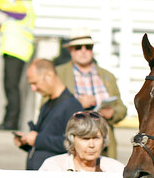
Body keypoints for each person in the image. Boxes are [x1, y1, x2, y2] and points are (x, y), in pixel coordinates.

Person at [55, 28, 128, 158]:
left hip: (104, 146)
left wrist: (112, 113)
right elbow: (49, 108)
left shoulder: (107, 76)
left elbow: (121, 108)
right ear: (70, 50)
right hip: (72, 145)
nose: (83, 51)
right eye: (78, 47)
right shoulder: (59, 73)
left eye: (88, 47)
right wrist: (76, 104)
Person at [13, 59, 83, 170]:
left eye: (35, 83)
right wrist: (27, 142)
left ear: (49, 75)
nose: (33, 88)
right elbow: (46, 144)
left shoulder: (71, 105)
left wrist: (38, 140)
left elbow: (74, 144)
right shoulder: (47, 105)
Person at [0, 0, 36, 131]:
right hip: (15, 50)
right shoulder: (23, 7)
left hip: (17, 51)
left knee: (11, 87)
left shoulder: (22, 7)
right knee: (10, 87)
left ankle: (11, 121)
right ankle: (8, 120)